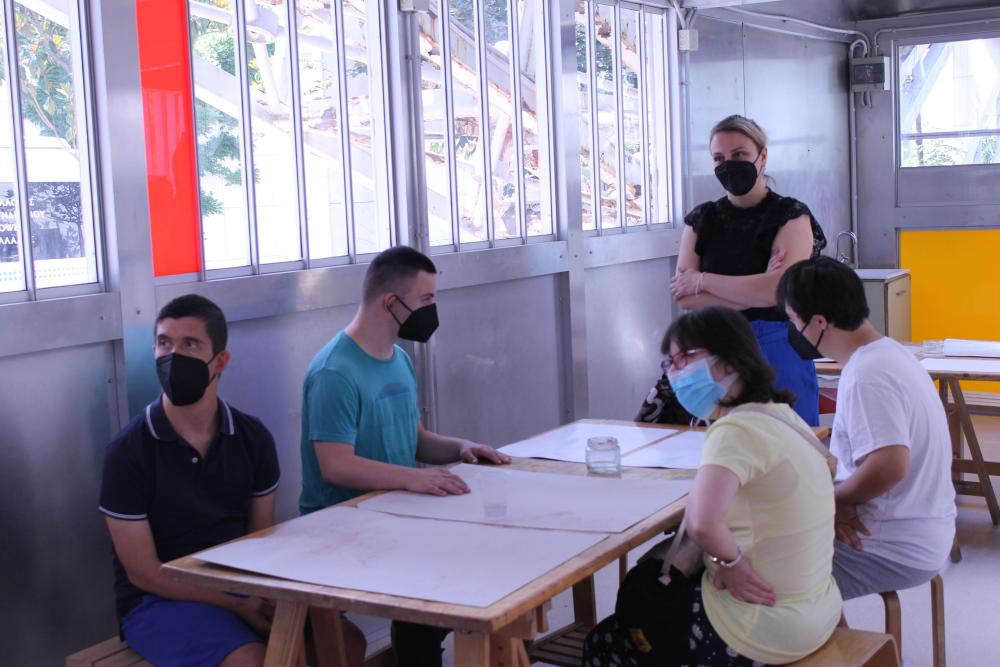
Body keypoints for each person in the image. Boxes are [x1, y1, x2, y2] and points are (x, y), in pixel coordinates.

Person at [99, 295, 369, 667]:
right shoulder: (128, 452)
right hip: (158, 601)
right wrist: (235, 605)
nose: (173, 356)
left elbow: (259, 540)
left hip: (238, 587)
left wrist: (267, 596)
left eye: (189, 344)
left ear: (221, 360)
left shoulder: (252, 438)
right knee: (254, 662)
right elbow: (142, 572)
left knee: (345, 641)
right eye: (164, 343)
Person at [585, 307, 841, 666]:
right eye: (670, 362)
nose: (675, 373)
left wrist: (730, 562)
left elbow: (703, 522)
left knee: (604, 642)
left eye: (686, 358)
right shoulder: (784, 416)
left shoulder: (734, 430)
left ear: (730, 360)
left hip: (762, 628)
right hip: (819, 613)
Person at [299, 245, 511, 667]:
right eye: (426, 300)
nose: (432, 311)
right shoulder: (334, 372)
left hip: (398, 515)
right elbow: (335, 465)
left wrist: (461, 447)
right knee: (431, 596)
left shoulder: (398, 359)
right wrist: (414, 478)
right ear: (391, 303)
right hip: (342, 527)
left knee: (490, 562)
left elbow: (414, 441)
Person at [777, 256, 956, 602]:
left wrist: (835, 501)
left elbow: (889, 466)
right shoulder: (890, 353)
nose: (793, 330)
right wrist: (840, 501)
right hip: (918, 530)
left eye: (793, 320)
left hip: (889, 546)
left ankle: (824, 633)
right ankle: (827, 628)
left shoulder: (866, 374)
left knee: (756, 571)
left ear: (818, 322)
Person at [670, 114, 826, 426]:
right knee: (727, 441)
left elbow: (778, 291)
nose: (728, 165)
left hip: (777, 348)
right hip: (716, 355)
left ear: (762, 156)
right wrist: (759, 287)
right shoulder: (702, 219)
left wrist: (703, 281)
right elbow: (685, 298)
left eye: (739, 154)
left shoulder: (791, 215)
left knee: (788, 439)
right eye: (719, 158)